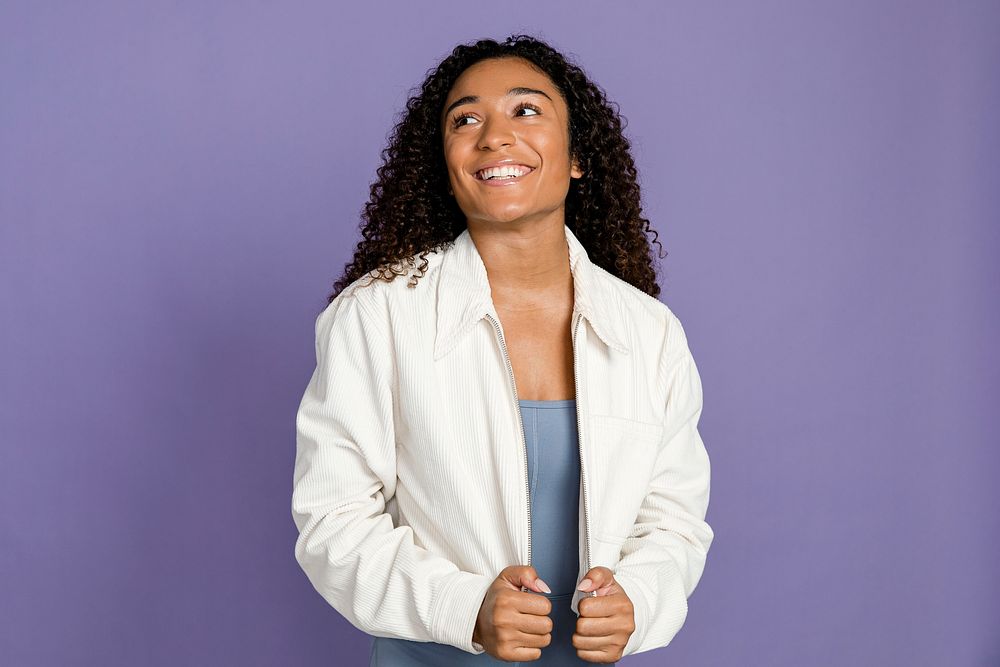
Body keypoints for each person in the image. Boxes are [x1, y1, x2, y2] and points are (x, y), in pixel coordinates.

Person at [291, 34, 714, 665]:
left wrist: (641, 600)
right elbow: (334, 522)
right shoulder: (377, 316)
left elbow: (674, 522)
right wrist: (467, 610)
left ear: (577, 158)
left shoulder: (649, 332)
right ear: (446, 165)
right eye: (466, 120)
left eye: (526, 110)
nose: (494, 136)